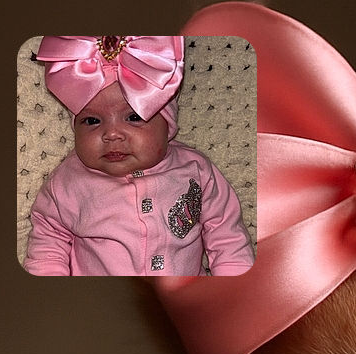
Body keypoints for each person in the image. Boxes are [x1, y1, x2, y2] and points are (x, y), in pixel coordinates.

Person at [23, 35, 254, 276]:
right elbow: (47, 245)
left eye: (133, 118)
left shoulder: (196, 169)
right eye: (92, 121)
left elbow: (227, 237)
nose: (112, 134)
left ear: (168, 126)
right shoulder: (67, 181)